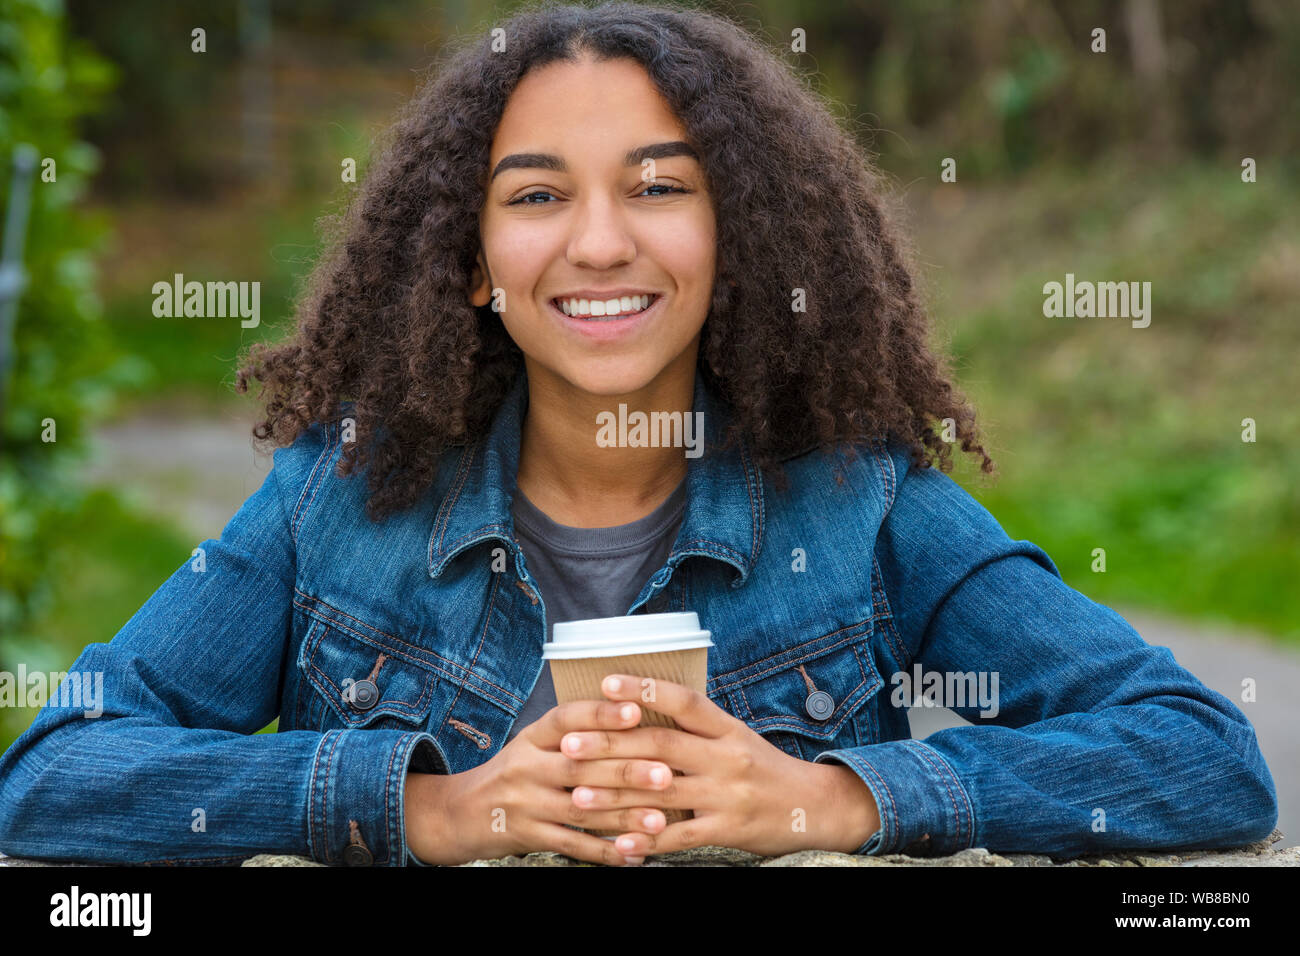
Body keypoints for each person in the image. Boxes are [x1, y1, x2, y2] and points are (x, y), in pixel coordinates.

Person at [0, 0, 1277, 867]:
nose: (600, 241)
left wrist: (834, 799)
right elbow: (54, 770)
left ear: (739, 240)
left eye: (661, 187)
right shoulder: (331, 499)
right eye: (538, 194)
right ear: (469, 261)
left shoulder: (861, 502)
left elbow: (1201, 752)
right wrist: (422, 807)